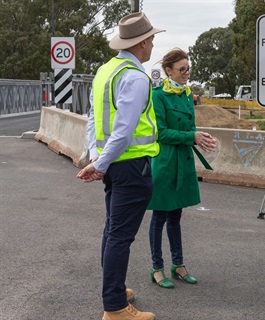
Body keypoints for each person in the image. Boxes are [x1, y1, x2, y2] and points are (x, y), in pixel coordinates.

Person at [76, 12, 164, 320]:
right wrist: (100, 163)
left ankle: (114, 287)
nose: (153, 43)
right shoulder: (136, 77)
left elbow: (93, 120)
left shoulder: (105, 71)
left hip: (113, 165)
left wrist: (97, 158)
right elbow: (124, 131)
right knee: (120, 236)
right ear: (141, 43)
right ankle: (114, 307)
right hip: (131, 166)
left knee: (112, 229)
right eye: (151, 39)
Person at [148, 48, 216, 289]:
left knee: (176, 216)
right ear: (168, 71)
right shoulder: (158, 95)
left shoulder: (188, 94)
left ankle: (178, 265)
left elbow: (191, 127)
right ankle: (157, 268)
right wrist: (192, 137)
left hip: (183, 161)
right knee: (160, 217)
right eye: (182, 69)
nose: (187, 73)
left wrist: (201, 138)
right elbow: (161, 133)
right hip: (165, 162)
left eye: (188, 69)